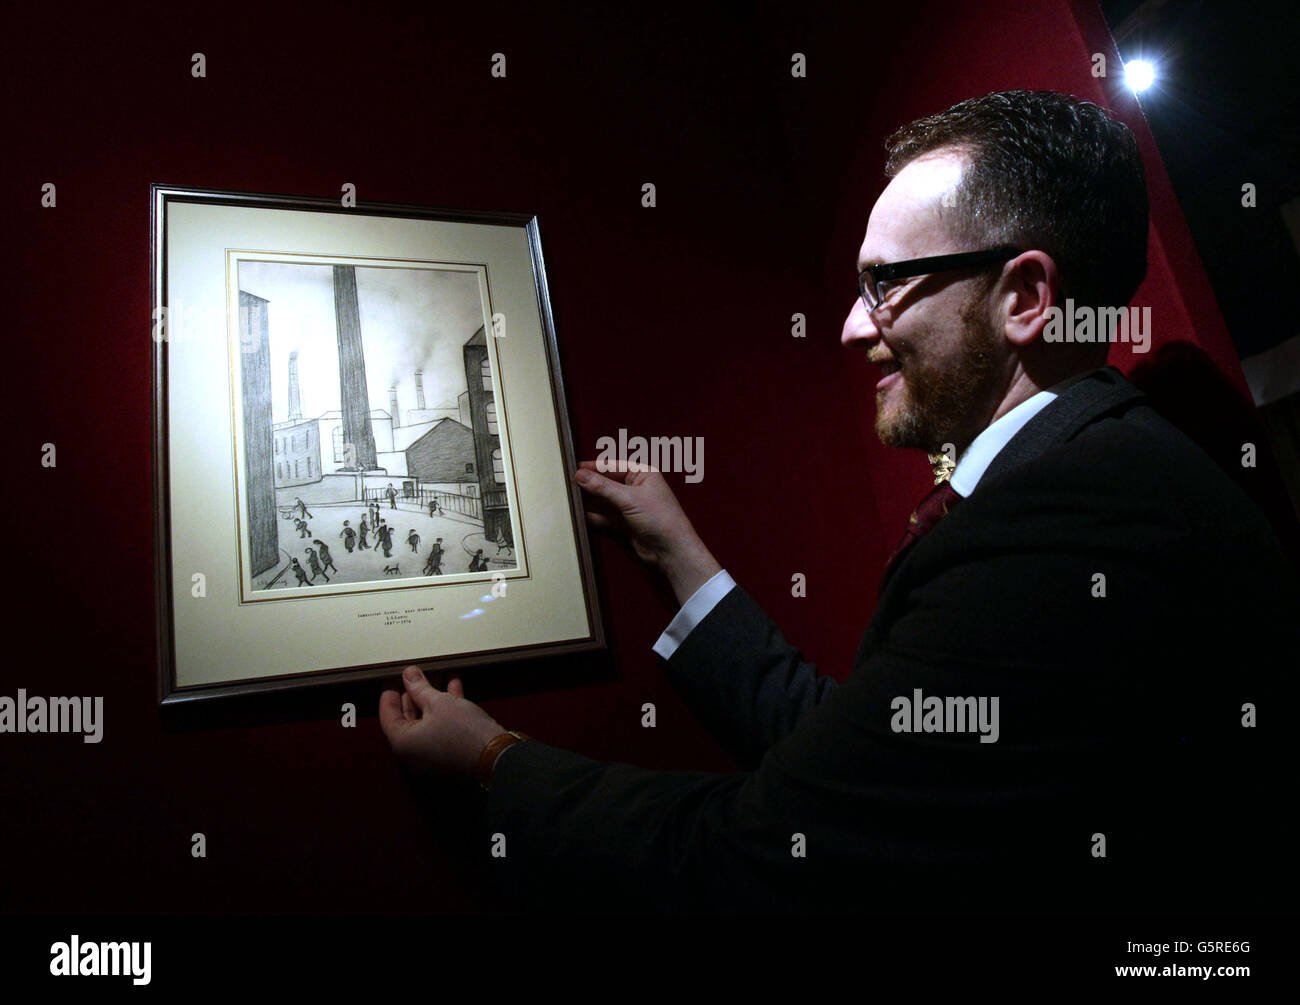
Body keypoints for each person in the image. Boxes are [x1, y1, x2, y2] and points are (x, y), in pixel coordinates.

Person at [380, 90, 1297, 915]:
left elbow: (775, 849)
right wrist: (677, 555)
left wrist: (495, 762)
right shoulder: (1091, 473)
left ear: (1024, 295)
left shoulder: (1076, 514)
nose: (855, 324)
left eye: (885, 283)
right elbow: (865, 759)